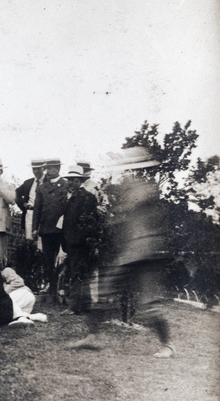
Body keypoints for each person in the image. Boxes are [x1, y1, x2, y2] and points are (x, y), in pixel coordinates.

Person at [68, 148, 176, 358]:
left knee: (148, 303)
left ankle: (168, 345)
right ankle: (93, 337)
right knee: (105, 291)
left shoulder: (145, 188)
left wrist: (118, 210)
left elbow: (137, 209)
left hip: (148, 254)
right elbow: (125, 216)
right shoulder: (132, 186)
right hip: (131, 253)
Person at [60, 166, 98, 315]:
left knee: (78, 272)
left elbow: (88, 222)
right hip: (71, 242)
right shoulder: (72, 198)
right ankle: (85, 305)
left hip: (79, 242)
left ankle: (74, 307)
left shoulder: (87, 197)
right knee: (79, 272)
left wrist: (80, 241)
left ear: (80, 181)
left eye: (74, 180)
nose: (71, 183)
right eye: (69, 180)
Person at [32, 158, 68, 295]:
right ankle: (51, 287)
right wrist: (35, 228)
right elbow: (37, 209)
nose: (50, 170)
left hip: (62, 229)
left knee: (63, 258)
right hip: (46, 229)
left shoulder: (66, 184)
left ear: (58, 168)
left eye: (53, 167)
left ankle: (63, 286)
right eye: (48, 168)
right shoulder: (42, 188)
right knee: (48, 259)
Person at [15, 159, 46, 241]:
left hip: (43, 214)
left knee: (42, 240)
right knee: (30, 239)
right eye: (34, 169)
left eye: (38, 169)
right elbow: (16, 193)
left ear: (43, 168)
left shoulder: (48, 182)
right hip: (30, 213)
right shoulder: (28, 183)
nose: (36, 171)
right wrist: (23, 205)